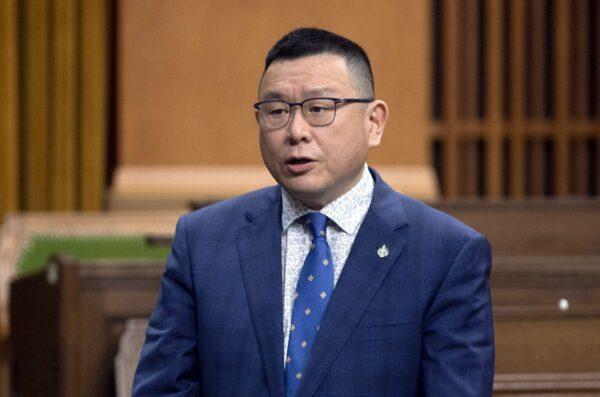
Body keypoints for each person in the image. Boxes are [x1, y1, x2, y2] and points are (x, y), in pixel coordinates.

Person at [133, 27, 494, 396]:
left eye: (319, 109)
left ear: (374, 123)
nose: (295, 131)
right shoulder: (203, 240)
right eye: (276, 111)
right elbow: (163, 388)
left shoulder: (446, 253)